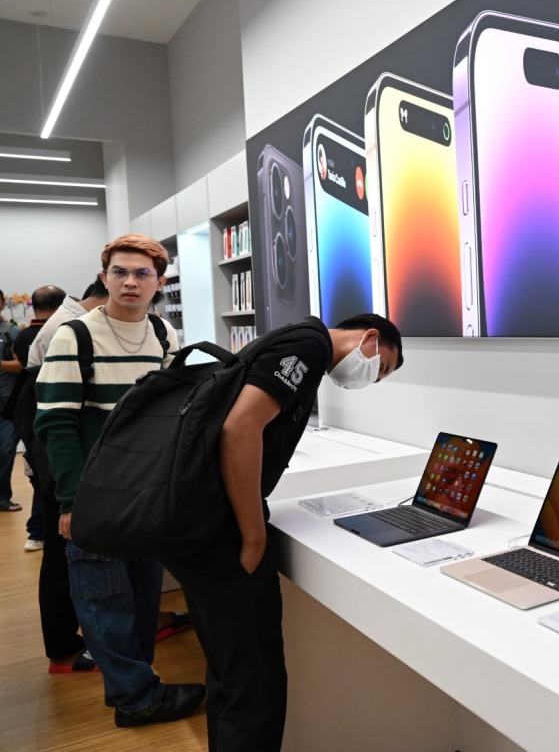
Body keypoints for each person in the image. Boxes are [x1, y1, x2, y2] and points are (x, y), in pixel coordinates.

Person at [164, 312, 402, 752]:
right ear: (370, 337)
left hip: (198, 524)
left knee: (232, 672)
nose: (372, 376)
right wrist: (254, 536)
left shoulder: (298, 342)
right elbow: (240, 427)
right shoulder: (309, 346)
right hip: (220, 530)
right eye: (381, 366)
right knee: (254, 681)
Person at [35, 235, 206, 726]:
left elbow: (176, 409)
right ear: (104, 277)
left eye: (142, 273)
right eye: (120, 272)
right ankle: (134, 699)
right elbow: (56, 423)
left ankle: (140, 684)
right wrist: (71, 502)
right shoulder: (74, 335)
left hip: (147, 493)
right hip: (97, 494)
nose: (130, 282)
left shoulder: (164, 332)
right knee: (103, 598)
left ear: (160, 281)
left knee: (143, 593)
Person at [12, 286, 68, 554]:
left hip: (30, 414)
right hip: (53, 414)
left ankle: (36, 532)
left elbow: (19, 366)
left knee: (40, 478)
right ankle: (41, 531)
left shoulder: (22, 335)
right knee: (50, 480)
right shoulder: (64, 332)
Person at [0, 289, 22, 512]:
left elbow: (21, 364)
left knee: (6, 450)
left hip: (7, 404)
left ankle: (2, 497)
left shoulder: (11, 331)